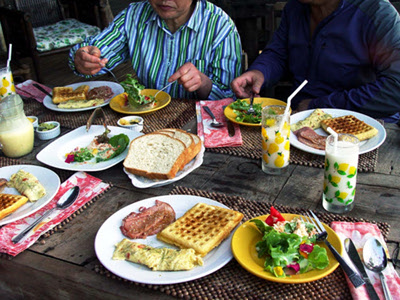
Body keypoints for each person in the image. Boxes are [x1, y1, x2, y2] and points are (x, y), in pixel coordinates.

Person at [231, 0, 400, 123]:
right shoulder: (295, 8)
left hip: (365, 127)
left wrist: (320, 105)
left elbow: (395, 89)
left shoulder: (377, 14)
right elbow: (278, 53)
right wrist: (259, 72)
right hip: (299, 122)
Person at [68, 0, 242, 100]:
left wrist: (203, 82)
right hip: (144, 116)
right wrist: (82, 59)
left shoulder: (220, 26)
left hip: (197, 125)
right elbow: (97, 52)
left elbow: (229, 99)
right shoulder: (134, 15)